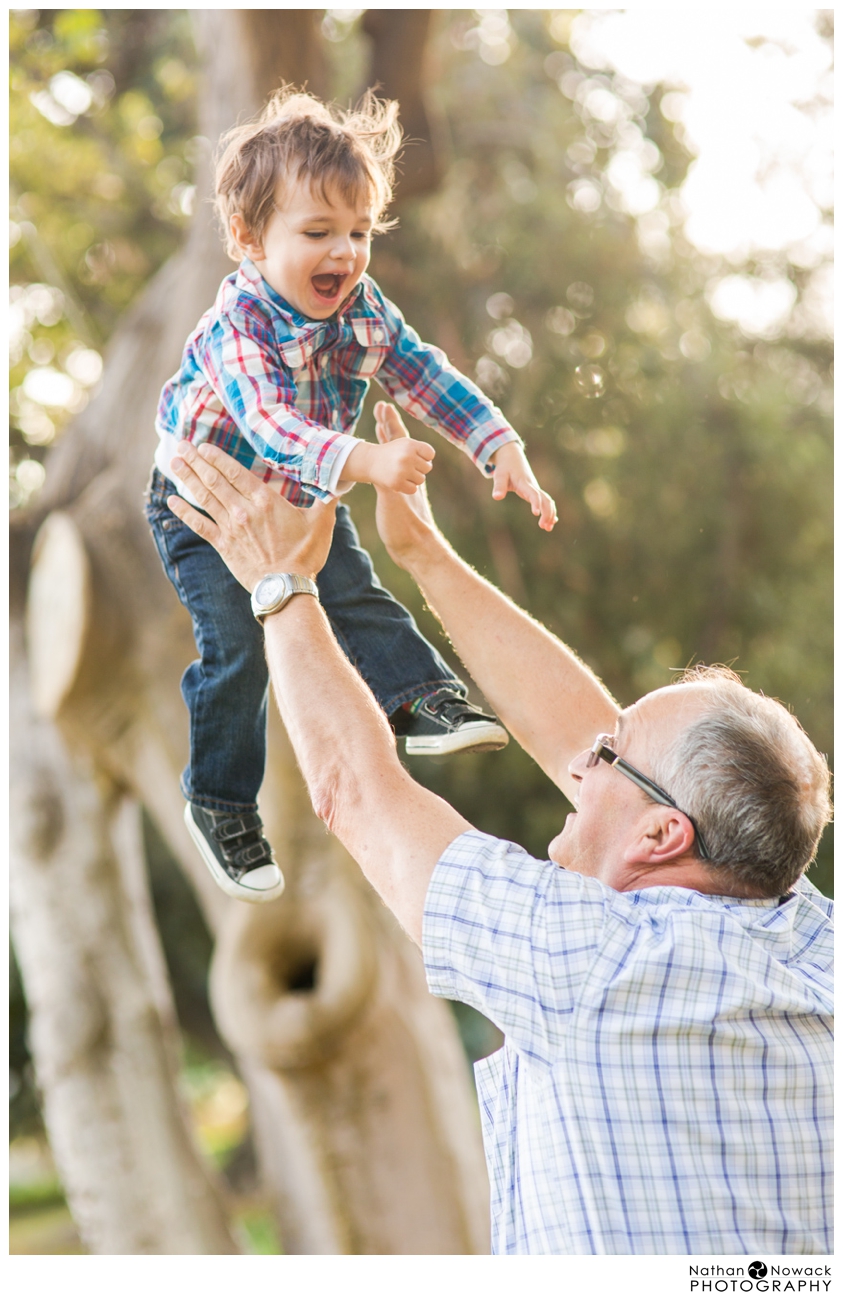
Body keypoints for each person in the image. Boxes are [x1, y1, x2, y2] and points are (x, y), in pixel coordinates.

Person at [165, 406, 833, 1257]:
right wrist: (423, 559)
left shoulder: (591, 962)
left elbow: (356, 794)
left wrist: (278, 583)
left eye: (604, 756)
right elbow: (603, 751)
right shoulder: (804, 931)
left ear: (663, 836)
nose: (577, 762)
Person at [144, 86, 557, 905]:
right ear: (248, 239)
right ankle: (221, 802)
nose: (345, 252)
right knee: (236, 644)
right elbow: (265, 425)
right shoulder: (236, 327)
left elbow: (422, 370)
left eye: (359, 231)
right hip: (205, 504)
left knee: (351, 588)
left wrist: (495, 443)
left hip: (302, 487)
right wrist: (365, 462)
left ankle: (420, 700)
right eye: (318, 232)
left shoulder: (362, 309)